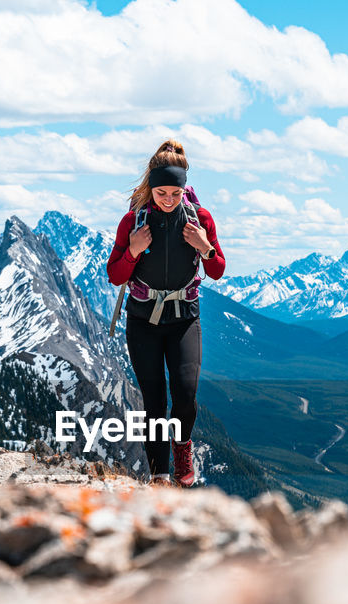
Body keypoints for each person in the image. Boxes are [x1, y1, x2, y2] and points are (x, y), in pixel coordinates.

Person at [107, 139, 225, 486]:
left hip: (185, 317)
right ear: (150, 187)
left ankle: (182, 445)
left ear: (184, 188)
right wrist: (133, 249)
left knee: (186, 395)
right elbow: (115, 274)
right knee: (154, 401)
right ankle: (159, 476)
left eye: (175, 192)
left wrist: (204, 247)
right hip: (142, 319)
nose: (169, 200)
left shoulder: (200, 218)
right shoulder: (133, 221)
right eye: (161, 193)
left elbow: (217, 269)